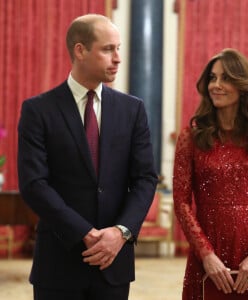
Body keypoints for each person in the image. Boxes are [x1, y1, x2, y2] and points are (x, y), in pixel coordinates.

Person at [17, 14, 157, 300]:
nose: (117, 58)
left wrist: (120, 233)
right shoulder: (38, 110)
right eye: (108, 49)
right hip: (59, 261)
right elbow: (34, 184)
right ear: (79, 50)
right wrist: (86, 233)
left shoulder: (133, 110)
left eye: (118, 48)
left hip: (114, 262)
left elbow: (144, 179)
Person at [173, 48, 248, 300]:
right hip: (206, 255)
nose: (216, 85)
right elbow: (181, 201)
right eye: (212, 78)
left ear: (243, 85)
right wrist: (206, 254)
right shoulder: (191, 137)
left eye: (225, 78)